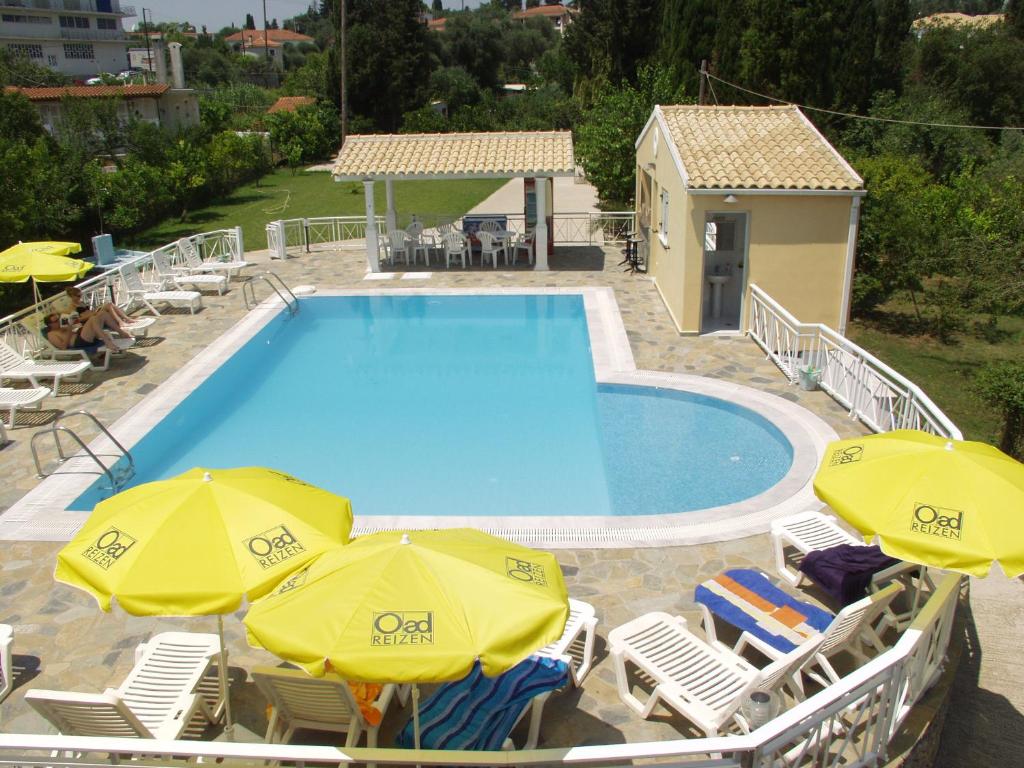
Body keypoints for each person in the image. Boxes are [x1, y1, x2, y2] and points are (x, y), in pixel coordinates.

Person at [60, 286, 134, 339]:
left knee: (109, 305)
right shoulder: (70, 307)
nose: (80, 297)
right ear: (71, 296)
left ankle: (124, 320)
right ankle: (122, 322)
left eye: (81, 295)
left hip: (93, 314)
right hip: (88, 321)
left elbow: (88, 311)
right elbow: (78, 320)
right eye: (78, 296)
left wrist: (94, 311)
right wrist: (91, 314)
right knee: (108, 306)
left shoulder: (80, 303)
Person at [44, 311, 119, 353]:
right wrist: (70, 330)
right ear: (50, 325)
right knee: (93, 319)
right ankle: (108, 343)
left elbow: (76, 328)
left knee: (102, 314)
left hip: (82, 335)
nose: (59, 321)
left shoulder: (63, 327)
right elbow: (63, 347)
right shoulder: (51, 334)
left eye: (59, 319)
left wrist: (73, 322)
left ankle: (122, 333)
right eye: (56, 321)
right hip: (80, 342)